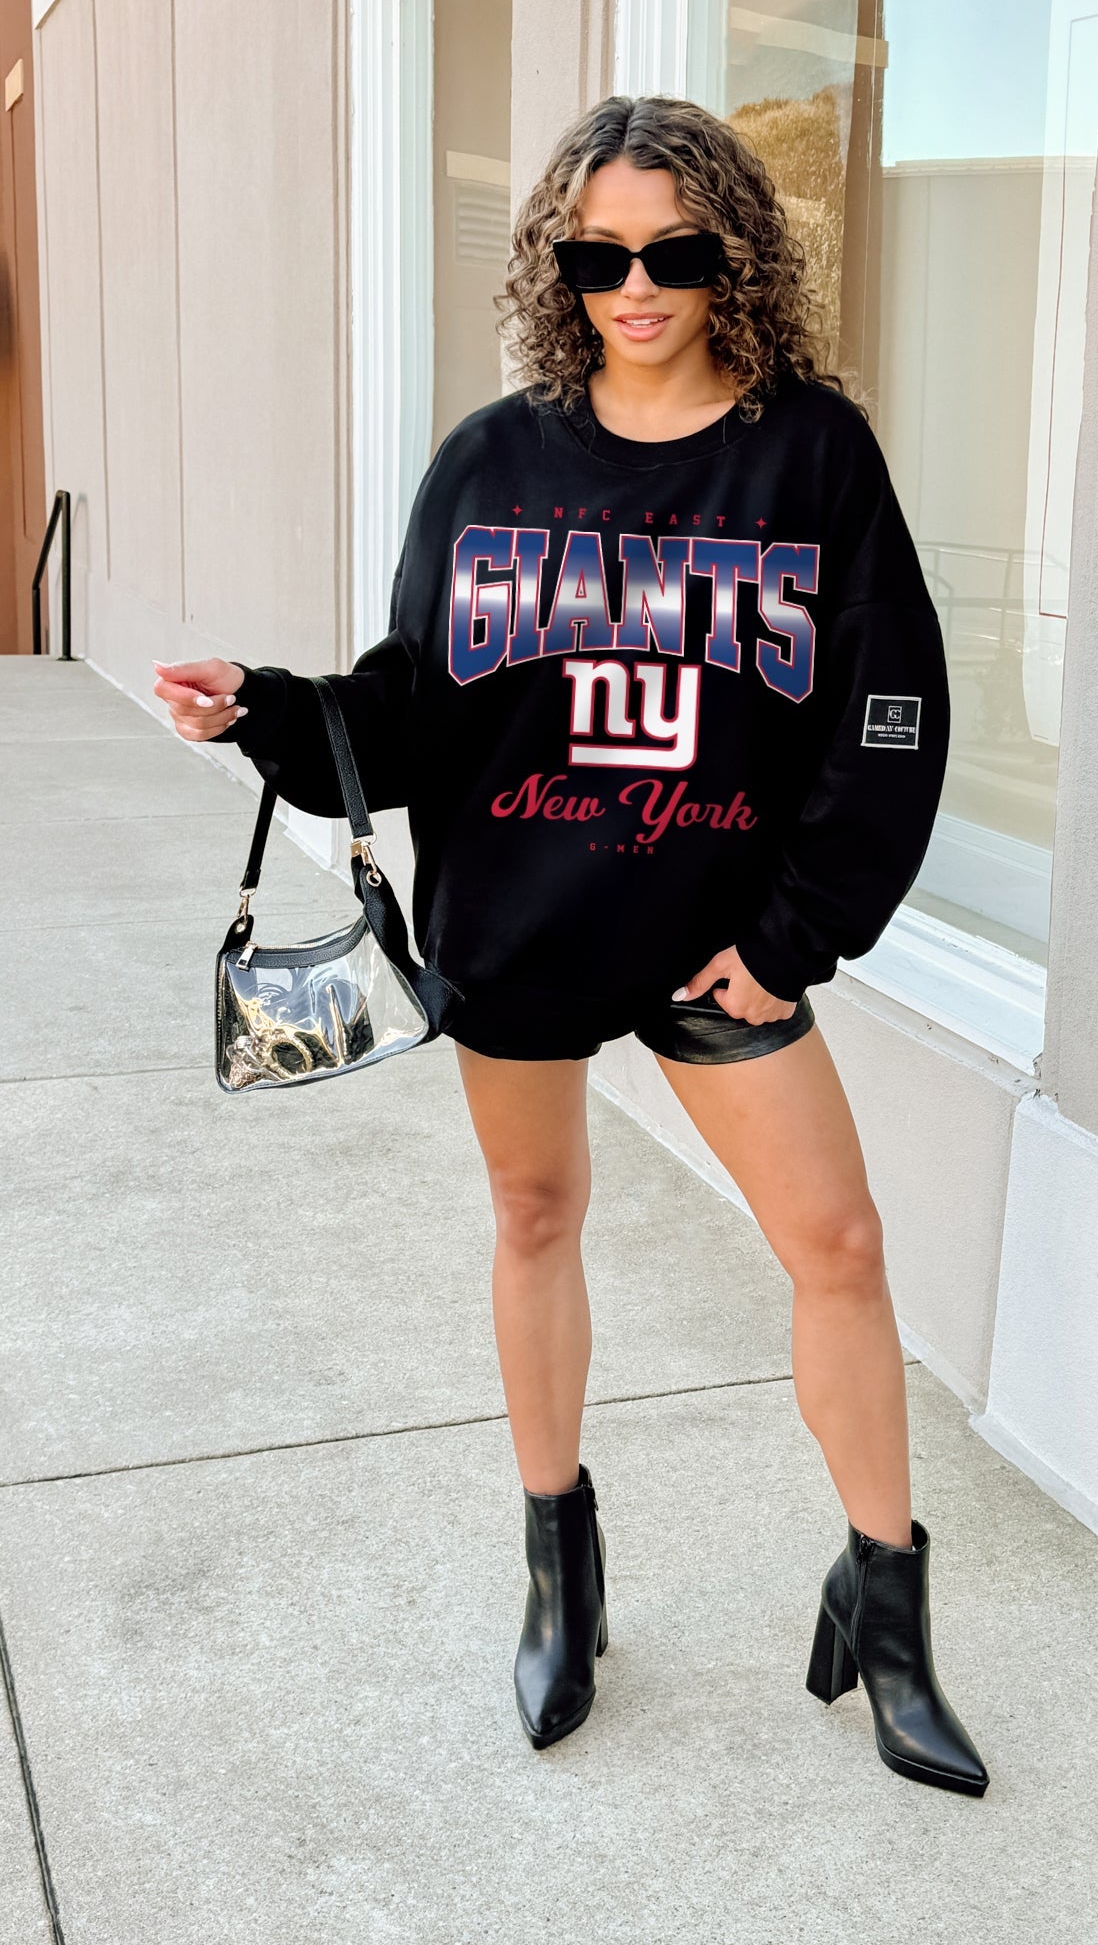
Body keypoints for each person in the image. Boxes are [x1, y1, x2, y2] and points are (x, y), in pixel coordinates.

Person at [151, 95, 988, 1796]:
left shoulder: (810, 454)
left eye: (674, 252)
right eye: (597, 259)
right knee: (533, 1216)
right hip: (523, 919)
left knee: (837, 1248)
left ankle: (886, 1608)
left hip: (718, 941)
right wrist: (266, 710)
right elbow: (413, 705)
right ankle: (560, 1573)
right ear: (556, 268)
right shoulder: (491, 460)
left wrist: (796, 938)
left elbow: (886, 717)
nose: (637, 288)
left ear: (733, 256)